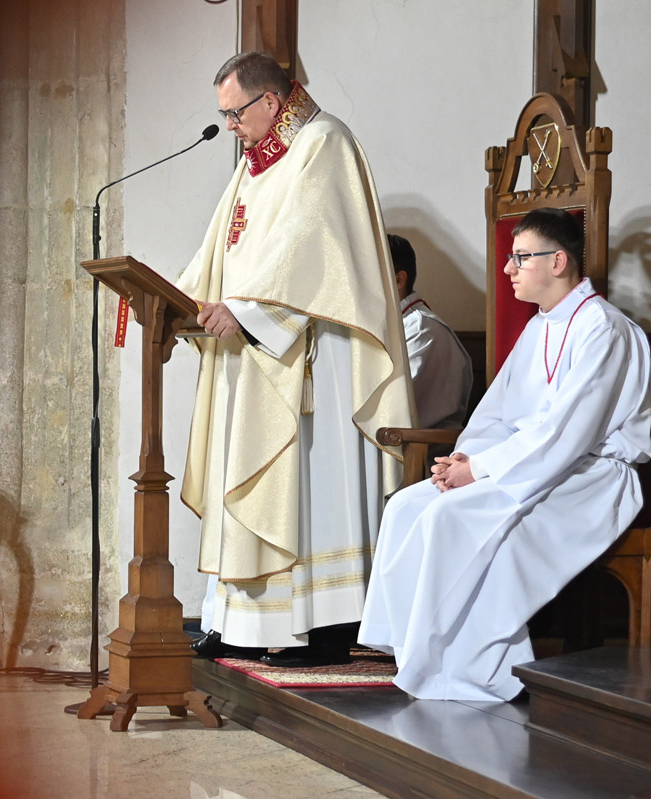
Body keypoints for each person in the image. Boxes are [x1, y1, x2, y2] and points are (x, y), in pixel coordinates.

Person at [177, 52, 414, 667]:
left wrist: (251, 311)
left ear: (272, 102)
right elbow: (219, 248)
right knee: (254, 482)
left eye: (235, 112)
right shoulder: (255, 164)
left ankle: (330, 627)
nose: (229, 125)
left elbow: (313, 247)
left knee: (315, 488)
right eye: (223, 114)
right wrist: (182, 300)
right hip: (253, 352)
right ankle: (240, 622)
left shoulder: (323, 141)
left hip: (317, 354)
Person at [358, 208, 651, 701]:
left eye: (520, 258)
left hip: (592, 477)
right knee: (408, 505)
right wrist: (464, 462)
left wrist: (482, 470)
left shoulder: (603, 329)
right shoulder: (542, 326)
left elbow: (569, 431)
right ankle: (415, 649)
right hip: (535, 464)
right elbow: (496, 413)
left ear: (558, 261)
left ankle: (476, 670)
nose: (508, 269)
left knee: (450, 519)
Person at [388, 233, 472, 432]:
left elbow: (395, 407)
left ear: (399, 280)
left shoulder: (421, 330)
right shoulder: (395, 323)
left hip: (423, 454)